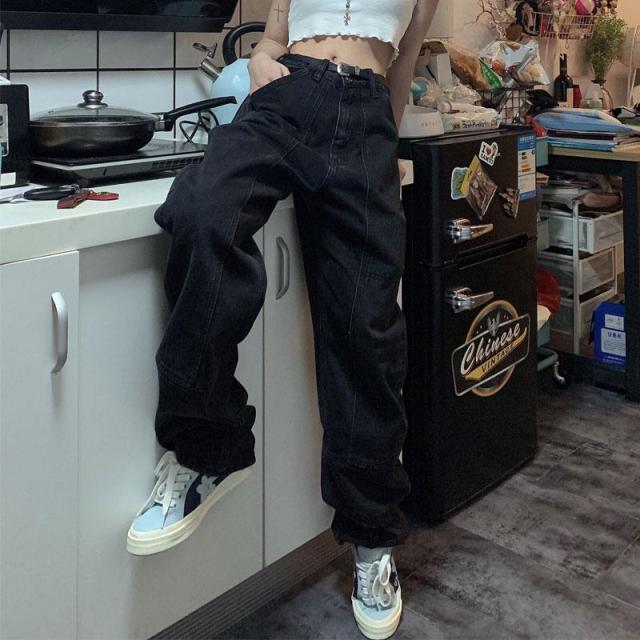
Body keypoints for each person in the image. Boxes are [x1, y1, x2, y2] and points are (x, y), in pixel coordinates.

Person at [127, 0, 439, 637]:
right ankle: (209, 448)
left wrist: (385, 149)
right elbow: (268, 43)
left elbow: (403, 63)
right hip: (285, 100)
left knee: (368, 326)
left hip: (367, 117)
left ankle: (372, 535)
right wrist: (261, 62)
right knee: (200, 213)